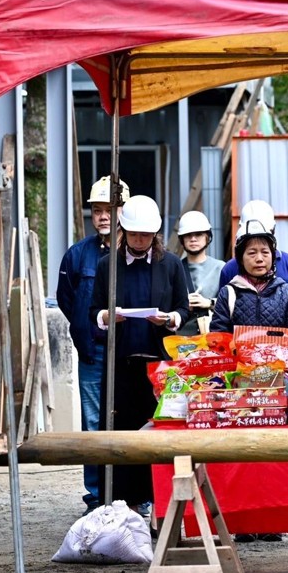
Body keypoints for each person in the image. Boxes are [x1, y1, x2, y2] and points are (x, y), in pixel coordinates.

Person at [90, 195, 189, 511]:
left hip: (159, 365)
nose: (139, 240)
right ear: (123, 232)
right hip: (122, 364)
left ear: (156, 234)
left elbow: (183, 308)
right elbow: (93, 309)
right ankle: (121, 502)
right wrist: (108, 316)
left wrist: (170, 319)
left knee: (160, 431)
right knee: (120, 431)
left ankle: (159, 501)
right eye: (134, 235)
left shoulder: (170, 264)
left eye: (145, 235)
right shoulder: (109, 265)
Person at [57, 175, 130, 514]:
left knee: (130, 419)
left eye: (110, 209)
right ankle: (96, 497)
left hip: (130, 353)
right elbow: (67, 300)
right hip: (93, 352)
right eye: (97, 210)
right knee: (92, 422)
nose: (103, 216)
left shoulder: (135, 252)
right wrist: (86, 330)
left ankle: (133, 495)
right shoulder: (76, 256)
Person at [210, 219, 288, 332]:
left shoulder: (287, 293)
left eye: (265, 252)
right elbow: (218, 336)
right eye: (252, 253)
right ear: (241, 259)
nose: (259, 259)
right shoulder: (228, 294)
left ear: (273, 256)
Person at [219, 200, 288, 314]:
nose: (259, 259)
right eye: (252, 252)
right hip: (239, 332)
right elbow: (224, 310)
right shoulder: (229, 270)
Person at [176, 210, 225, 336]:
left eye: (198, 234)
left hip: (212, 336)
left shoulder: (221, 268)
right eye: (188, 235)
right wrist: (183, 305)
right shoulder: (175, 268)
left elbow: (233, 304)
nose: (193, 239)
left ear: (207, 237)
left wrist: (210, 303)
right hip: (181, 340)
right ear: (182, 239)